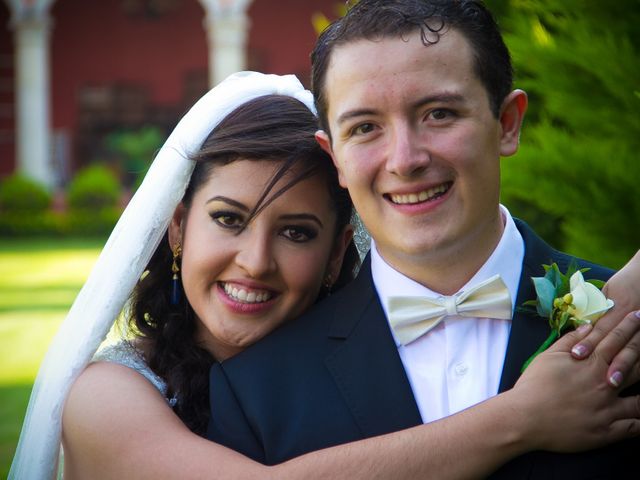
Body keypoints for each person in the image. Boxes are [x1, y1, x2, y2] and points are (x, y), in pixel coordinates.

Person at [9, 71, 640, 480]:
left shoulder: (370, 359)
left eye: (296, 232)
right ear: (177, 228)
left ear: (339, 252)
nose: (255, 260)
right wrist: (522, 417)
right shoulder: (108, 394)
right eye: (229, 219)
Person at [206, 2, 640, 479]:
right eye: (365, 127)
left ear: (507, 123)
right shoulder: (255, 389)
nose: (405, 159)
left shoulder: (621, 318)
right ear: (335, 158)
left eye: (438, 113)